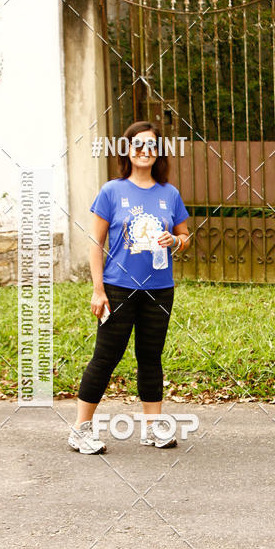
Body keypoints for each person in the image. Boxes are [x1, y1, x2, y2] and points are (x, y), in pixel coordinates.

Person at [68, 121, 190, 454]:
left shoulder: (169, 194)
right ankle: (80, 429)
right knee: (106, 356)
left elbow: (185, 237)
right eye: (137, 144)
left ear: (158, 151)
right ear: (127, 149)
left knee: (150, 357)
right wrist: (98, 289)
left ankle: (152, 429)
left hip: (160, 289)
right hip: (118, 288)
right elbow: (96, 242)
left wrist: (175, 241)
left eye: (151, 144)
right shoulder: (112, 191)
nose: (144, 150)